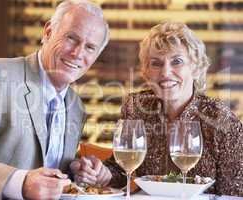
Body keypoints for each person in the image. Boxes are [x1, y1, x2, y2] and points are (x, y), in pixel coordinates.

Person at [0, 0, 109, 199]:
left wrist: (77, 170)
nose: (77, 53)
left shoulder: (75, 107)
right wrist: (21, 182)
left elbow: (47, 169)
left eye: (90, 47)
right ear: (48, 32)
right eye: (71, 38)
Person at [70, 21, 243, 196]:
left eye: (177, 61)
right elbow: (122, 167)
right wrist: (103, 173)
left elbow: (234, 194)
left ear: (196, 68)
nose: (165, 72)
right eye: (156, 63)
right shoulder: (136, 107)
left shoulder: (221, 120)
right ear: (146, 71)